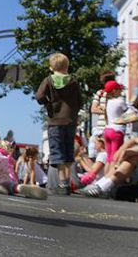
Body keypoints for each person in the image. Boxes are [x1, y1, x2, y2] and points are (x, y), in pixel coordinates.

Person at [35, 52, 83, 195]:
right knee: (69, 150)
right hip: (70, 120)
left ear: (51, 67)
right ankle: (67, 182)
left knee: (57, 151)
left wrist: (49, 104)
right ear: (67, 66)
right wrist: (73, 112)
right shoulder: (73, 81)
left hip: (55, 121)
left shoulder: (48, 80)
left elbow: (39, 96)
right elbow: (80, 101)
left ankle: (62, 184)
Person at [101, 80, 127, 174]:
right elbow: (128, 112)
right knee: (115, 157)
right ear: (114, 91)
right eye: (119, 89)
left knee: (108, 158)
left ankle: (104, 179)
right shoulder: (120, 101)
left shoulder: (109, 102)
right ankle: (110, 180)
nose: (121, 91)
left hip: (107, 130)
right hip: (117, 131)